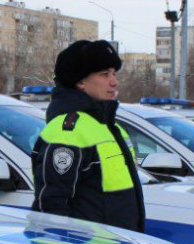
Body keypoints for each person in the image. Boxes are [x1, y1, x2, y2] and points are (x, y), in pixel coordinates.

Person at [32, 39, 145, 232]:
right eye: (104, 74)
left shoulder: (108, 125)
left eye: (114, 73)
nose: (114, 81)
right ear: (80, 81)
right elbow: (51, 209)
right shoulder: (67, 131)